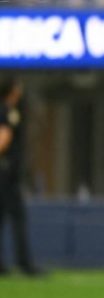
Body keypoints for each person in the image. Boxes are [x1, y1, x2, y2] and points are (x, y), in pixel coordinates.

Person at [0, 77, 39, 277]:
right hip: (7, 174)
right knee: (17, 217)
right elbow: (4, 138)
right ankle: (24, 263)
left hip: (5, 173)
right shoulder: (7, 111)